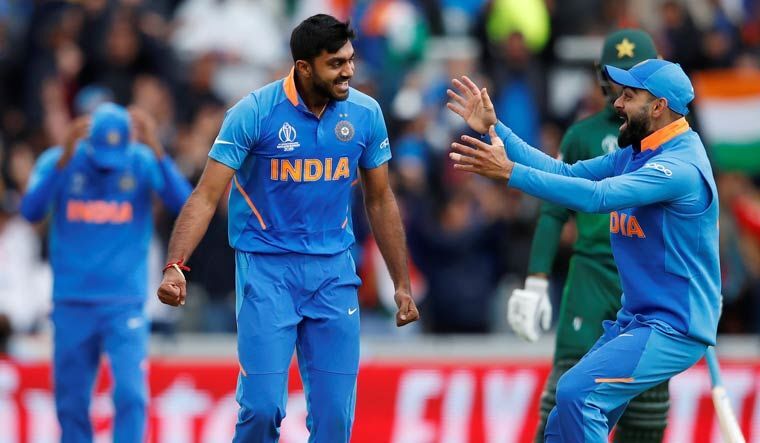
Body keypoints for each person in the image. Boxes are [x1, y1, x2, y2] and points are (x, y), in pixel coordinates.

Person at [156, 14, 419, 443]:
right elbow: (205, 196)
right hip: (267, 271)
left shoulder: (365, 114)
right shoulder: (254, 113)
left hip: (334, 273)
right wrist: (175, 265)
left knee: (335, 420)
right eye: (336, 63)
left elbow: (380, 199)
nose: (349, 71)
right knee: (261, 410)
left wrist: (401, 283)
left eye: (350, 60)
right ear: (303, 67)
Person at [447, 58, 719, 440]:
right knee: (562, 421)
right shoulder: (639, 151)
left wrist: (510, 173)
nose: (617, 103)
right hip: (638, 318)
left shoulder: (678, 167)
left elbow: (596, 197)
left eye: (629, 96)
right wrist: (496, 129)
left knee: (577, 393)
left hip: (672, 327)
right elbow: (566, 173)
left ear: (659, 106)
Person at [508, 30, 670, 442]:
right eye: (619, 78)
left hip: (648, 280)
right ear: (602, 77)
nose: (625, 89)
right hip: (592, 275)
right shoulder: (583, 136)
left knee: (646, 417)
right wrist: (536, 280)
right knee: (566, 395)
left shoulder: (674, 145)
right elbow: (554, 207)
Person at [20, 103, 191, 443]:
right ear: (88, 140)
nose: (107, 166)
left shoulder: (142, 159)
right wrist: (62, 160)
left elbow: (184, 204)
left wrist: (158, 151)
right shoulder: (60, 160)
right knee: (71, 400)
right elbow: (30, 211)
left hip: (124, 301)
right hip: (72, 300)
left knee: (131, 393)